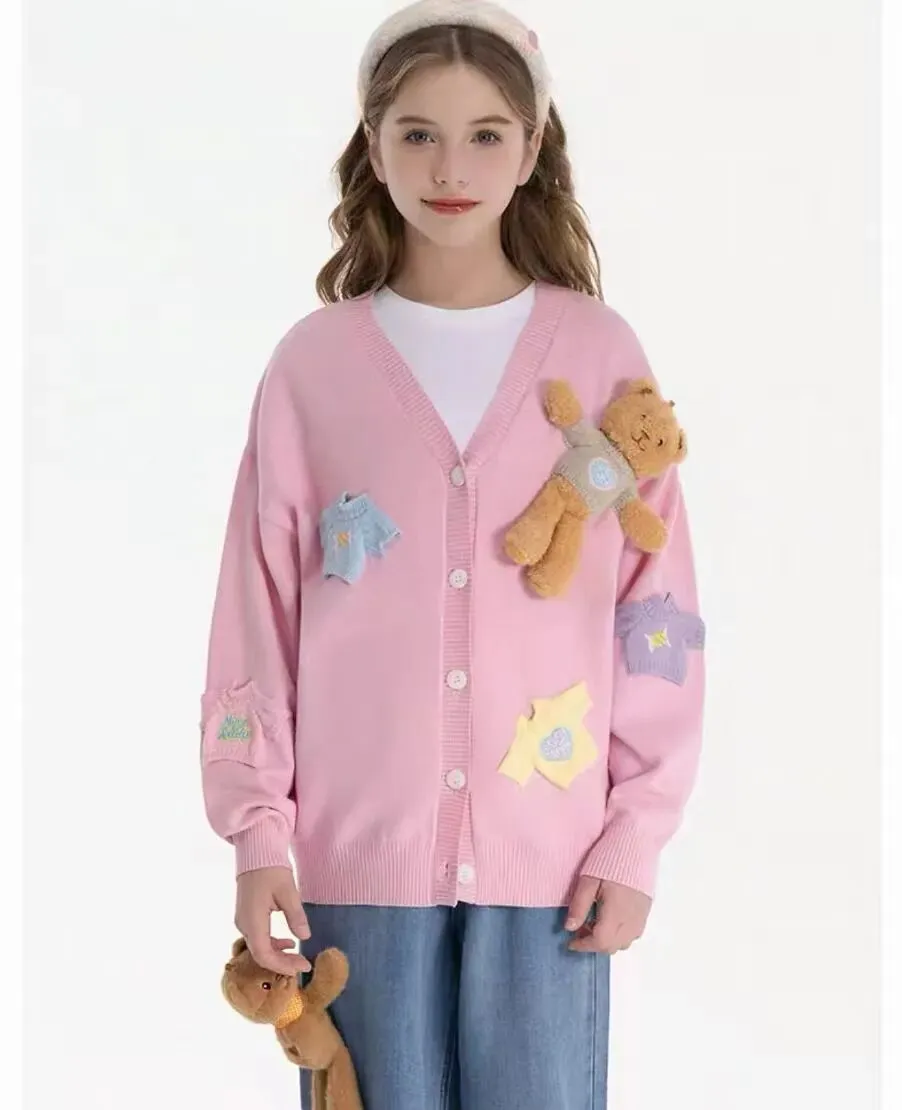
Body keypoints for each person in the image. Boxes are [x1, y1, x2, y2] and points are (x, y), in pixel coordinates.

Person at [199, 2, 706, 1107]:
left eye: (485, 134)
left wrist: (635, 835)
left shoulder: (598, 355)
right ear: (373, 147)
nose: (449, 167)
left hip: (553, 867)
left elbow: (656, 616)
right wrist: (257, 831)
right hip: (353, 860)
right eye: (417, 132)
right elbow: (256, 616)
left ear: (531, 150)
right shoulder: (314, 367)